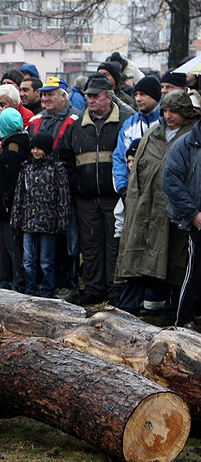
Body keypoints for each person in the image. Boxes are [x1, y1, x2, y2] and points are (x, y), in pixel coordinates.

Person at [114, 91, 198, 317]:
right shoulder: (153, 133)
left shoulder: (192, 136)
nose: (169, 116)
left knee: (174, 262)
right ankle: (127, 309)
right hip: (145, 208)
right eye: (166, 111)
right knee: (137, 259)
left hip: (175, 212)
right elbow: (137, 173)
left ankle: (173, 312)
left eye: (175, 111)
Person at [58, 73, 129, 304]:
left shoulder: (125, 121)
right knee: (90, 246)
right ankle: (94, 289)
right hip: (86, 198)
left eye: (96, 96)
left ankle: (115, 291)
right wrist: (76, 185)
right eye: (88, 96)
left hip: (114, 198)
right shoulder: (77, 125)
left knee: (114, 246)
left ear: (109, 97)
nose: (91, 100)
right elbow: (66, 158)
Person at [11, 133, 70, 298]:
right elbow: (19, 195)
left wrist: (62, 221)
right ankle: (30, 289)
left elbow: (63, 197)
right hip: (28, 221)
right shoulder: (26, 167)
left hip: (48, 222)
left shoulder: (56, 168)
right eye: (34, 148)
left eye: (39, 148)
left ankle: (47, 291)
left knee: (46, 260)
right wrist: (16, 218)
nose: (36, 152)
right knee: (28, 259)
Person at [162, 97, 201, 327]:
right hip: (197, 218)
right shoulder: (186, 144)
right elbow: (170, 182)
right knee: (195, 273)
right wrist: (193, 214)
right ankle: (183, 320)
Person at [0, 108, 30, 291]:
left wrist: (5, 200)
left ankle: (14, 280)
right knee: (5, 243)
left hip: (8, 206)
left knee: (10, 244)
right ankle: (8, 277)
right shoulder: (17, 144)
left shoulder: (12, 150)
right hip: (8, 205)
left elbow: (12, 179)